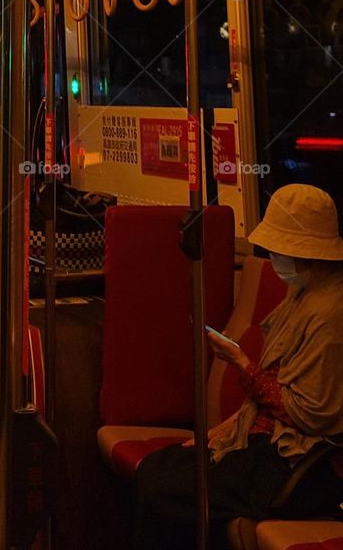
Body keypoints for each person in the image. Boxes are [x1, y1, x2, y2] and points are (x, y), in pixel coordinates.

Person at [135, 184, 343, 548]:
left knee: (163, 489)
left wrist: (239, 362)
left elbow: (310, 413)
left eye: (280, 251)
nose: (275, 259)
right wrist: (214, 434)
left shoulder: (330, 314)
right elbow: (269, 396)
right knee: (157, 468)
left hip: (301, 461)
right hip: (265, 440)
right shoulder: (304, 295)